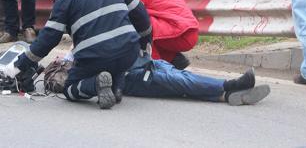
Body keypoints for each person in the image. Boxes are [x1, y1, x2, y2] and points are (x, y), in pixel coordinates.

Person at [7, 0, 153, 110]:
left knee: (69, 88)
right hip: (128, 52)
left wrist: (18, 66)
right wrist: (145, 44)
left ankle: (96, 84)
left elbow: (48, 40)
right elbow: (142, 16)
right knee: (118, 59)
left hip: (95, 58)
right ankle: (116, 88)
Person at [48, 52, 271, 106]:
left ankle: (225, 95)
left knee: (183, 77)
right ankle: (228, 87)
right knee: (180, 83)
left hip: (147, 61)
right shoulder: (81, 47)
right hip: (132, 75)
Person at [105, 0, 199, 70]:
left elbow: (126, 16)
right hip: (183, 29)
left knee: (136, 24)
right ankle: (173, 60)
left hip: (183, 32)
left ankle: (152, 70)